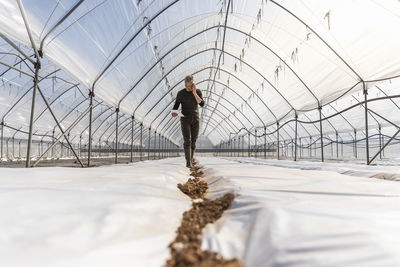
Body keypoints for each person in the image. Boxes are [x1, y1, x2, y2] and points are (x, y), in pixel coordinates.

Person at [172, 75, 204, 168]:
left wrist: (194, 93)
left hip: (195, 119)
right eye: (186, 85)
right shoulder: (180, 93)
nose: (188, 88)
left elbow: (202, 104)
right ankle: (188, 162)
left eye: (189, 86)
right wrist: (174, 113)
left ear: (193, 84)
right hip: (185, 119)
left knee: (193, 141)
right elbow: (175, 107)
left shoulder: (198, 92)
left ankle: (191, 158)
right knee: (187, 140)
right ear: (184, 84)